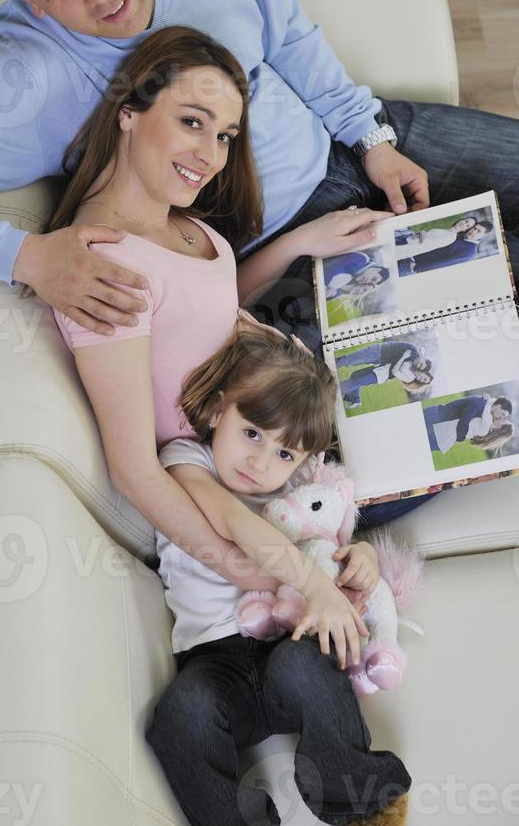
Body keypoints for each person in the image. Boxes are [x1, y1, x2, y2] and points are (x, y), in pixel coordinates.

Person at [0, 0, 518, 524]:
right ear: (24, 2)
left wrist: (371, 138)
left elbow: (289, 33)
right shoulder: (20, 81)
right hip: (281, 263)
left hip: (344, 145)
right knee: (495, 314)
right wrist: (25, 257)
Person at [47, 25, 380, 680]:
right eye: (193, 122)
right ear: (128, 115)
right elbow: (137, 470)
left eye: (224, 135)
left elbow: (214, 308)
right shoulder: (103, 265)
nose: (210, 154)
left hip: (289, 374)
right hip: (262, 455)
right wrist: (245, 569)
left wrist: (302, 242)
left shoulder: (186, 222)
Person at [146, 316, 411, 826]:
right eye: (250, 433)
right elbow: (232, 522)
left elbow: (332, 544)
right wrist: (316, 586)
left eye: (284, 452)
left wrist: (365, 558)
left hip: (291, 639)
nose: (259, 462)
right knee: (182, 714)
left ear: (306, 459)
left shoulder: (303, 488)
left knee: (303, 669)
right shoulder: (186, 460)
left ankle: (360, 802)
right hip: (213, 658)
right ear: (220, 408)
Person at [337, 340, 433, 408]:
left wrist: (391, 374)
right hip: (379, 353)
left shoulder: (410, 373)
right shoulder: (413, 352)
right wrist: (420, 354)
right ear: (423, 358)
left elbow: (394, 371)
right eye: (421, 364)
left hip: (382, 371)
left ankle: (334, 390)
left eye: (420, 367)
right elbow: (420, 351)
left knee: (355, 378)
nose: (419, 365)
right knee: (353, 371)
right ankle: (355, 399)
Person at [423, 393, 513, 454]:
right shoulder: (480, 404)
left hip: (440, 433)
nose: (500, 418)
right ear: (498, 406)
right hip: (434, 421)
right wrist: (460, 438)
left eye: (503, 417)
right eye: (502, 414)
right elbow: (462, 427)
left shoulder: (485, 412)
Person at [398, 219, 494, 276]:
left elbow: (444, 264)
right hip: (409, 252)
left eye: (479, 231)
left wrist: (417, 268)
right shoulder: (460, 235)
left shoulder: (470, 252)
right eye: (474, 228)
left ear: (483, 236)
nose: (474, 231)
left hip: (410, 264)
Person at [394, 214, 477, 258]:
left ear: (465, 230)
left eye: (467, 226)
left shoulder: (451, 237)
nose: (464, 224)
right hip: (407, 242)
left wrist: (422, 232)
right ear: (462, 219)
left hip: (406, 248)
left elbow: (425, 243)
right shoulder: (447, 231)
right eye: (466, 221)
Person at [324, 251, 390, 300]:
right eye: (373, 278)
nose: (367, 281)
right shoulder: (361, 259)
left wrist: (333, 293)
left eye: (370, 282)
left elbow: (338, 291)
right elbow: (332, 269)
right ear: (376, 269)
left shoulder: (357, 276)